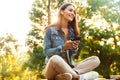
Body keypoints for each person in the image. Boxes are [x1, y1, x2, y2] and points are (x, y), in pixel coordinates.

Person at [43, 2, 100, 80]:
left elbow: (73, 54)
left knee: (95, 59)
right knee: (55, 58)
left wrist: (74, 48)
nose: (73, 13)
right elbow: (46, 51)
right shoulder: (50, 30)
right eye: (70, 10)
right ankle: (78, 77)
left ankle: (67, 75)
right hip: (53, 69)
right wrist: (63, 48)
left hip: (69, 67)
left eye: (74, 12)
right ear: (61, 11)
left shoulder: (72, 31)